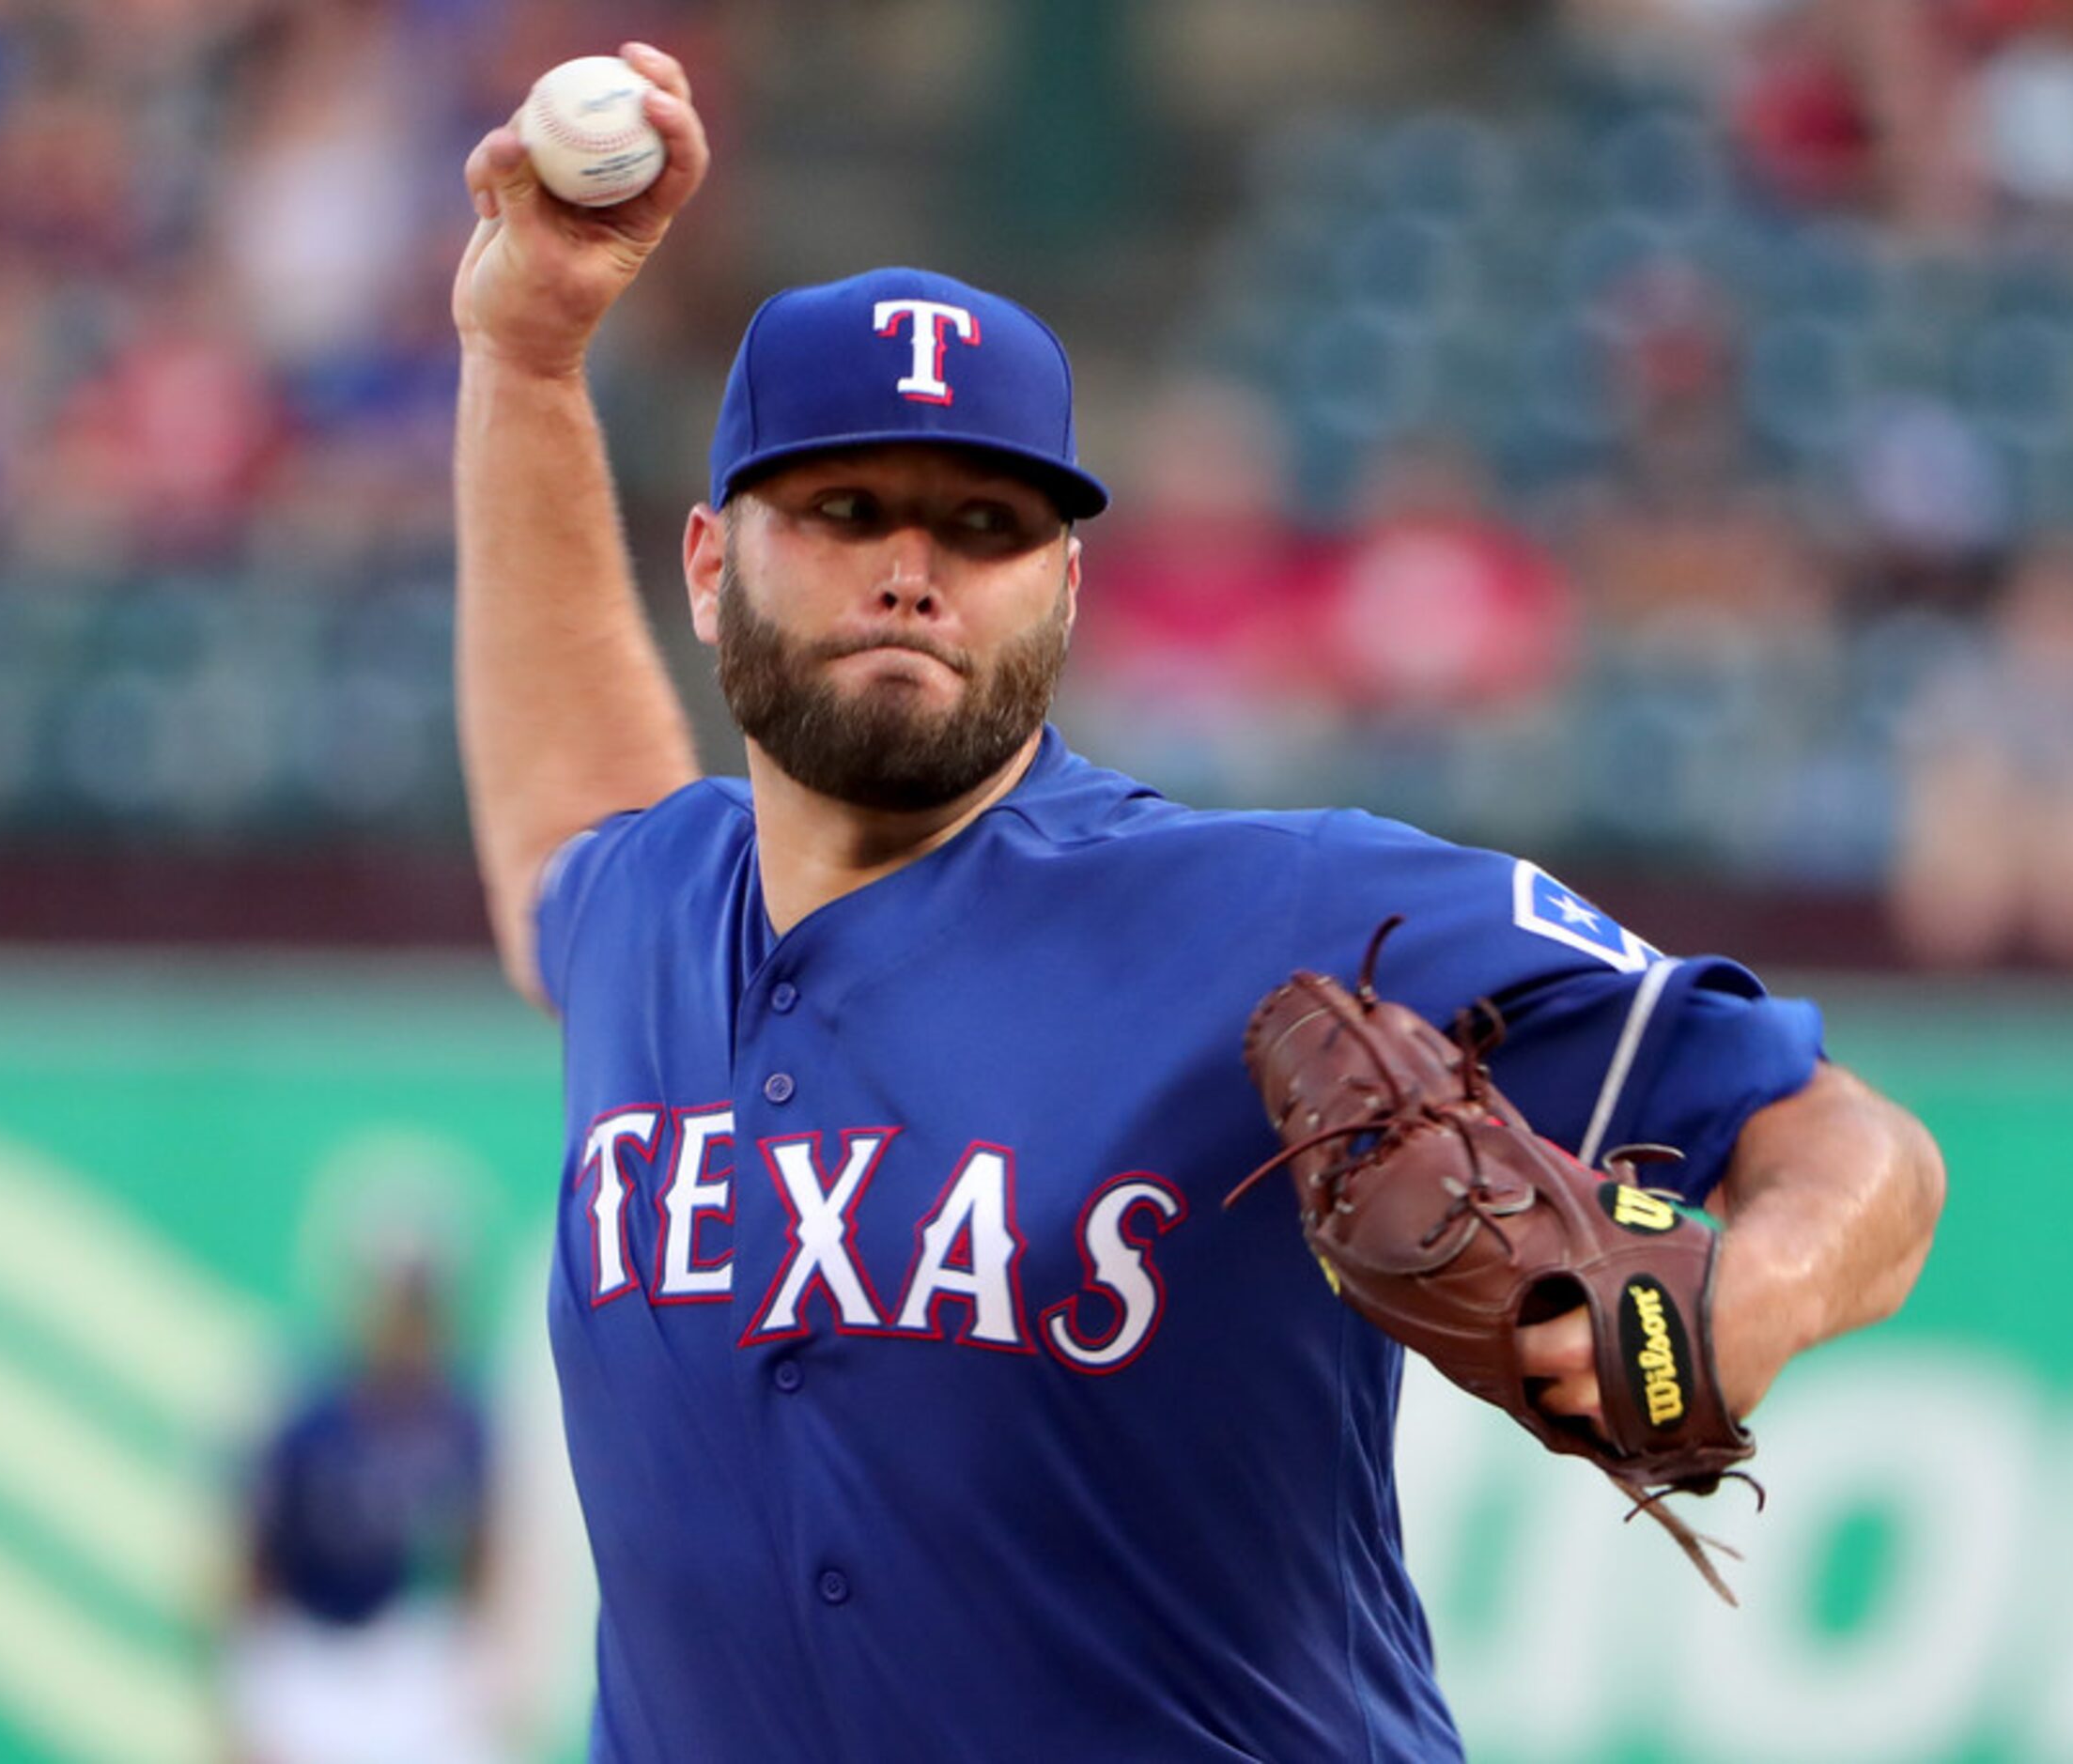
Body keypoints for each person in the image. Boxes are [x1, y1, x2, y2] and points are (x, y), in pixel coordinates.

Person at [453, 42, 1944, 1763]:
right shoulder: (653, 905)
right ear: (711, 565)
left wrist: (1715, 1325)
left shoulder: (1277, 906)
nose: (915, 567)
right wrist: (527, 353)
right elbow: (562, 821)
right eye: (846, 507)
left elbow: (1856, 1148)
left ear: (1067, 587)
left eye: (988, 522)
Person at [222, 1245, 500, 1764]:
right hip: (305, 1642)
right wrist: (245, 1689)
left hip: (396, 1644)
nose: (411, 1326)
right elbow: (251, 1563)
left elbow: (478, 1547)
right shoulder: (305, 1413)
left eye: (423, 1306)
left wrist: (475, 1660)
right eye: (400, 1304)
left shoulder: (457, 1417)